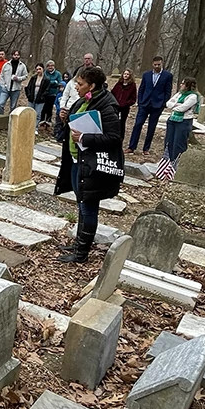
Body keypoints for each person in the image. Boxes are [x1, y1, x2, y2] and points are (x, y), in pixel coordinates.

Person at [55, 66, 125, 264]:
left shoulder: (107, 104)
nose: (76, 87)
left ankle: (81, 253)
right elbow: (77, 121)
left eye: (80, 84)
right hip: (79, 160)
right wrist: (65, 118)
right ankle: (78, 243)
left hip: (93, 165)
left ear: (92, 86)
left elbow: (114, 138)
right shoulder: (84, 100)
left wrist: (85, 137)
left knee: (89, 207)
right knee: (81, 203)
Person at [126, 56, 172, 156]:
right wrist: (140, 101)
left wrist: (163, 104)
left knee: (151, 127)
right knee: (138, 124)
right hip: (144, 104)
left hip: (157, 105)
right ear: (152, 64)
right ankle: (131, 147)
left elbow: (168, 91)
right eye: (155, 65)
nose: (156, 66)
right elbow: (142, 88)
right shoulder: (146, 75)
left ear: (162, 64)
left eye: (158, 65)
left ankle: (146, 148)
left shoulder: (167, 75)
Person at [161, 77, 200, 164]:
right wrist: (176, 105)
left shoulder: (193, 96)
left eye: (183, 83)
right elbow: (168, 103)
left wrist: (175, 106)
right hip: (172, 119)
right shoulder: (179, 94)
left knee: (178, 144)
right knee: (168, 142)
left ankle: (176, 163)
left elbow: (183, 108)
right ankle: (167, 162)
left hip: (184, 121)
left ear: (188, 86)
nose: (180, 85)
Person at [57, 52, 98, 120]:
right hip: (70, 107)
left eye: (88, 58)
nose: (86, 60)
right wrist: (62, 107)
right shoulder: (72, 82)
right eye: (85, 59)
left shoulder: (96, 73)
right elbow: (65, 95)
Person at [111, 69, 137, 134]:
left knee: (122, 123)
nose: (126, 75)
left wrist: (126, 103)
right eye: (125, 74)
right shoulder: (119, 84)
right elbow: (113, 93)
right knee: (114, 122)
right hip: (116, 106)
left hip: (125, 107)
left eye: (127, 74)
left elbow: (133, 99)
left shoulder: (132, 86)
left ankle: (121, 137)